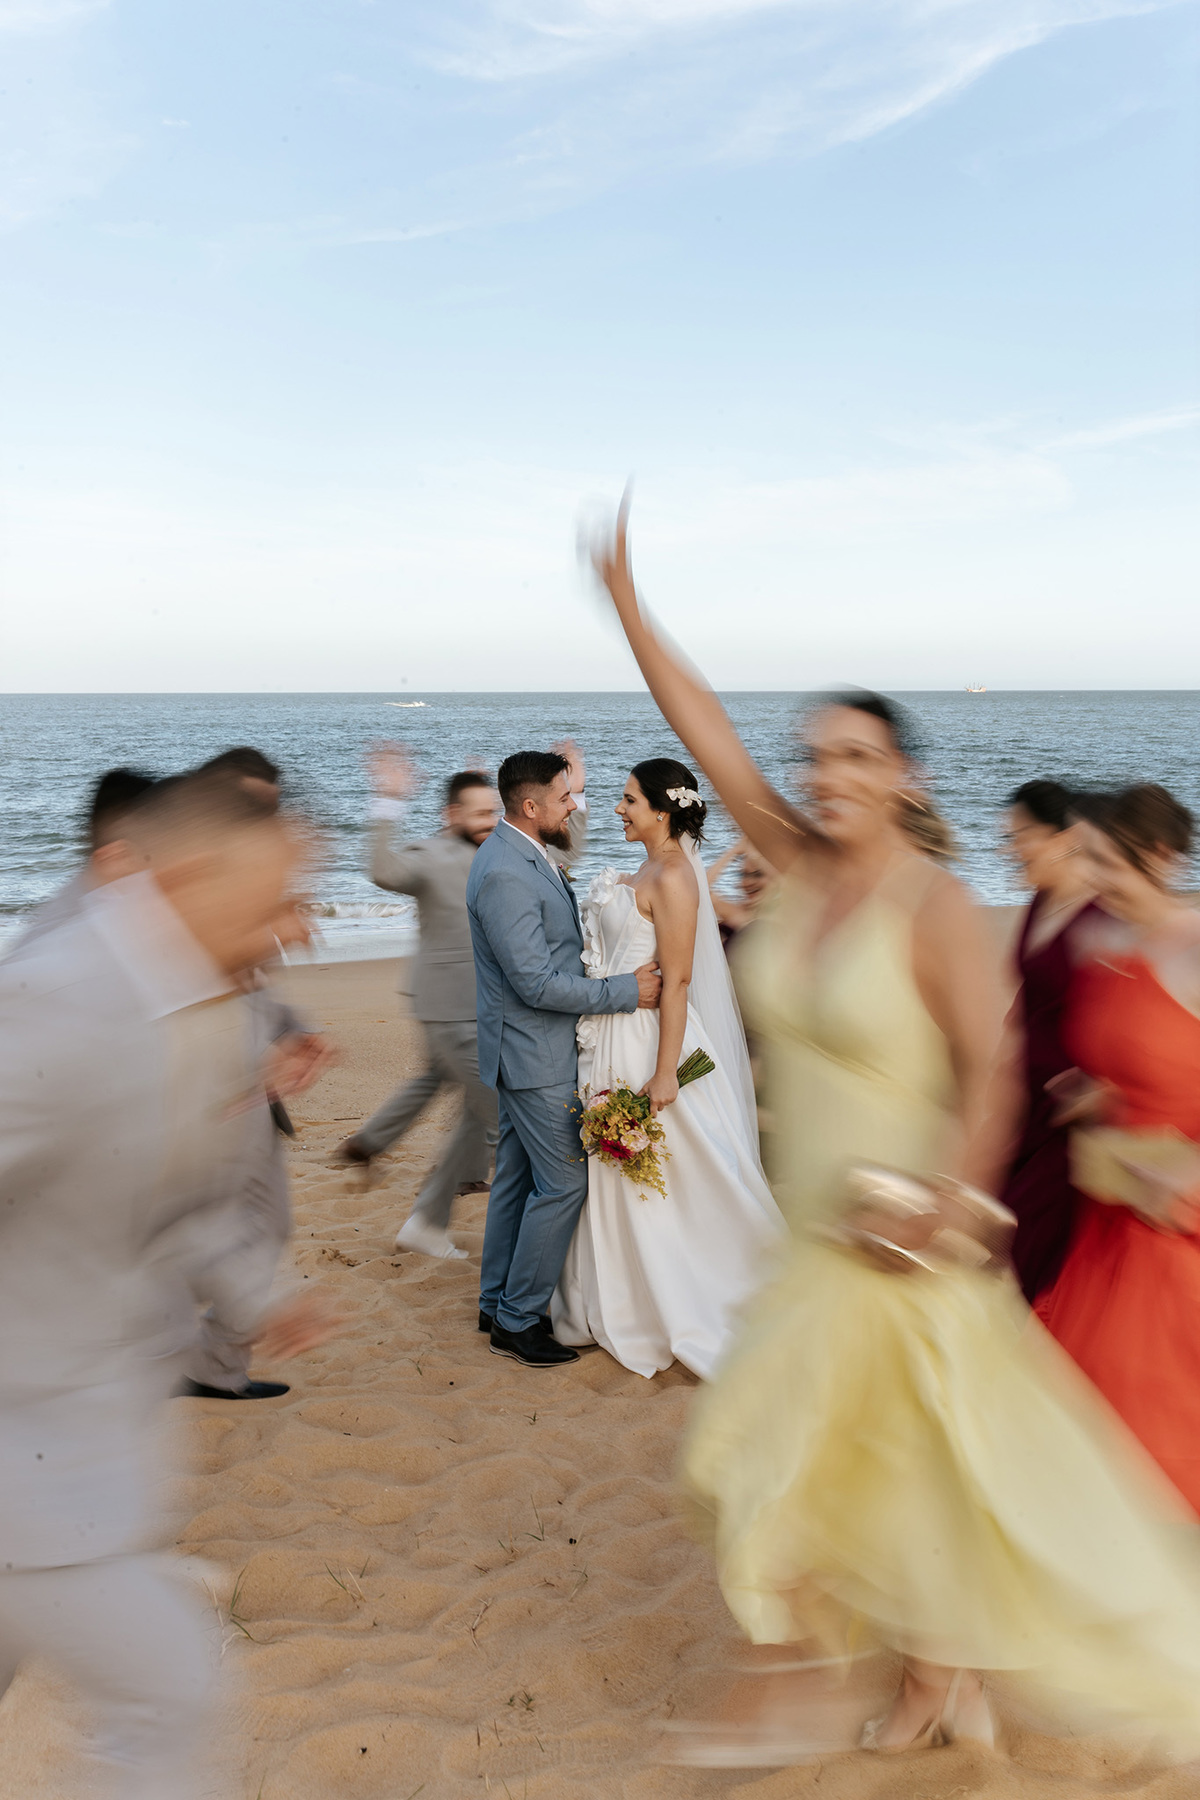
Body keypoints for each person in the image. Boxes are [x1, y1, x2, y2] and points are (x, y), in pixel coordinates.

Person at [586, 502, 1200, 1760]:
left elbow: (994, 1070)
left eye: (859, 756)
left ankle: (805, 1682)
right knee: (905, 1480)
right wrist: (632, 609)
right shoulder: (797, 864)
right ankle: (934, 1684)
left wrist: (953, 1206)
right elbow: (705, 731)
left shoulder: (933, 908)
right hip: (816, 1231)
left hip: (903, 1242)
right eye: (818, 755)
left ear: (905, 776)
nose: (830, 773)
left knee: (767, 1456)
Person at [0, 771, 335, 1798]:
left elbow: (187, 1201)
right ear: (188, 881)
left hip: (102, 1431)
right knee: (171, 1693)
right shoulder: (58, 1002)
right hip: (27, 1446)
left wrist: (260, 1294)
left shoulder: (215, 1010)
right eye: (277, 904)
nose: (299, 932)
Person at [552, 761, 784, 1378]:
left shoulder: (677, 875)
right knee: (614, 1168)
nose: (619, 809)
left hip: (646, 1041)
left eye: (629, 800)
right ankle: (619, 1292)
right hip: (607, 1034)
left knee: (669, 1167)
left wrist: (664, 1073)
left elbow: (677, 982)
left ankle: (683, 1294)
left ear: (661, 810)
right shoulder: (650, 868)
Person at [466, 749, 662, 1369]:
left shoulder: (521, 850)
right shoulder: (506, 872)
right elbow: (535, 983)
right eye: (563, 798)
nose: (573, 806)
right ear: (531, 806)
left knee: (518, 1179)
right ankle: (517, 1320)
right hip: (535, 1056)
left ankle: (495, 1301)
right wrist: (626, 992)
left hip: (527, 1049)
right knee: (563, 1183)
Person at [1037, 785, 1200, 1513]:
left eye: (1106, 861)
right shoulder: (1100, 943)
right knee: (1080, 1405)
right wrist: (1093, 1092)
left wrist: (1184, 1173)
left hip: (1176, 1221)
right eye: (1086, 859)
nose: (1091, 877)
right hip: (1105, 1210)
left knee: (1155, 1421)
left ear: (1160, 856)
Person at [336, 749, 502, 1261]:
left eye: (494, 811)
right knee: (500, 1113)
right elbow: (383, 869)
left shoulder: (500, 850)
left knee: (463, 1104)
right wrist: (387, 801)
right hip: (450, 1010)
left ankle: (420, 1207)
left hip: (482, 1010)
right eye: (479, 813)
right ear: (452, 814)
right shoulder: (430, 855)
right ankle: (435, 1213)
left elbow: (565, 859)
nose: (490, 821)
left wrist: (574, 798)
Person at [997, 780, 1099, 1302]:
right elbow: (1024, 999)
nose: (1009, 849)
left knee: (1032, 1245)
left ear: (1065, 839)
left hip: (1069, 1116)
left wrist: (1099, 1085)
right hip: (1024, 1105)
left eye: (1021, 836)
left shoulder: (1103, 915)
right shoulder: (1040, 902)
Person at [706, 835, 776, 949]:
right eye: (744, 874)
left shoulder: (781, 916)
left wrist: (755, 856)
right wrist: (734, 851)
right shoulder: (735, 911)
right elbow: (701, 891)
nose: (749, 882)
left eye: (757, 874)